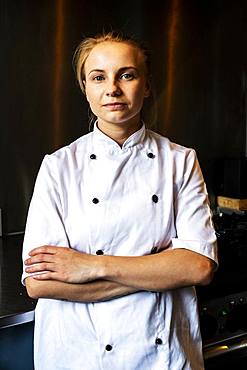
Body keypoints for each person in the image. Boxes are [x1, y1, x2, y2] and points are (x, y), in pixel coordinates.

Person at [22, 31, 218, 370]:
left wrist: (89, 266)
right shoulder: (58, 167)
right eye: (98, 77)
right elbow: (40, 282)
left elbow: (198, 267)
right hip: (79, 353)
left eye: (126, 74)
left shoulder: (180, 160)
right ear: (86, 89)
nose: (112, 88)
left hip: (163, 353)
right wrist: (158, 270)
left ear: (146, 85)